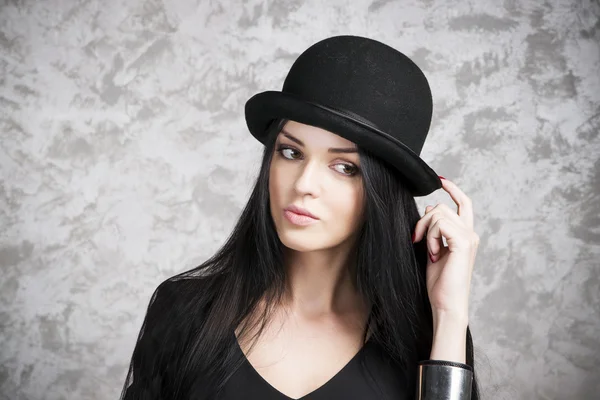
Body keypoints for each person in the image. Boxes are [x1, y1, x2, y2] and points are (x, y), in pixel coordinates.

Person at [119, 35, 481, 400]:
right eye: (291, 152)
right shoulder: (184, 312)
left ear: (383, 192)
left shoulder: (429, 335)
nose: (304, 184)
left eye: (344, 167)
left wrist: (449, 316)